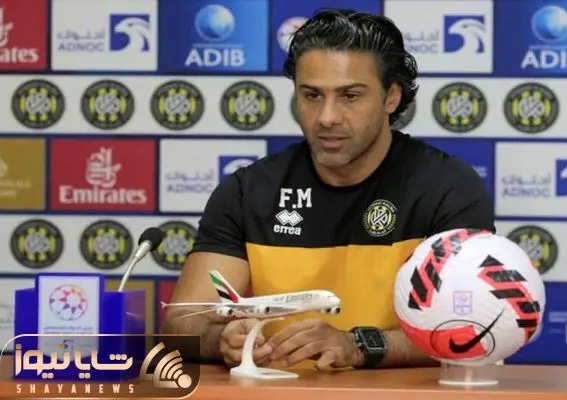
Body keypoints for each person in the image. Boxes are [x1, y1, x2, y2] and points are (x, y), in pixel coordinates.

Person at [161, 8, 495, 371]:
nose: (326, 117)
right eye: (312, 95)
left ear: (391, 97)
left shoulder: (447, 188)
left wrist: (359, 346)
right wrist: (220, 340)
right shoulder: (247, 192)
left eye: (350, 96)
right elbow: (182, 324)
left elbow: (473, 328)